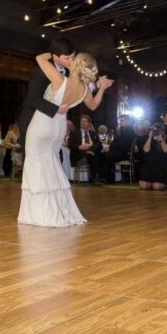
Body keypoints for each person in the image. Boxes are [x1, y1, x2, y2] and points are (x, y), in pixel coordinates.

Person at [19, 51, 112, 227]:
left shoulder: (60, 80)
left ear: (76, 65)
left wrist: (55, 54)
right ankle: (56, 210)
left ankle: (39, 214)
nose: (70, 61)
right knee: (51, 166)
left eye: (72, 59)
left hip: (42, 126)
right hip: (58, 129)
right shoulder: (84, 90)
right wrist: (103, 88)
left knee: (36, 165)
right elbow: (93, 105)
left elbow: (39, 58)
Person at [18, 37, 75, 146]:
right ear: (55, 57)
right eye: (67, 58)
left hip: (52, 123)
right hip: (32, 122)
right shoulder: (40, 71)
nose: (71, 61)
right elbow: (33, 99)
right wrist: (57, 109)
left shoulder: (68, 72)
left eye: (73, 57)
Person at [137, 123, 167, 190]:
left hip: (161, 167)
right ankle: (151, 183)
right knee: (143, 186)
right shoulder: (146, 138)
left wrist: (161, 140)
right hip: (148, 167)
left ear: (162, 131)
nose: (155, 132)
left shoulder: (166, 138)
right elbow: (145, 151)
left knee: (157, 187)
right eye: (154, 130)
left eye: (157, 130)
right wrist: (150, 138)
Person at [69, 114, 103, 184]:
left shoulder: (93, 133)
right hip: (79, 152)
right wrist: (79, 147)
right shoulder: (74, 133)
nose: (83, 122)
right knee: (94, 155)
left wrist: (90, 146)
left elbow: (100, 145)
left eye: (85, 121)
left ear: (89, 123)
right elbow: (70, 145)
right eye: (82, 121)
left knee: (95, 151)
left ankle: (89, 154)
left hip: (89, 153)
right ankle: (94, 178)